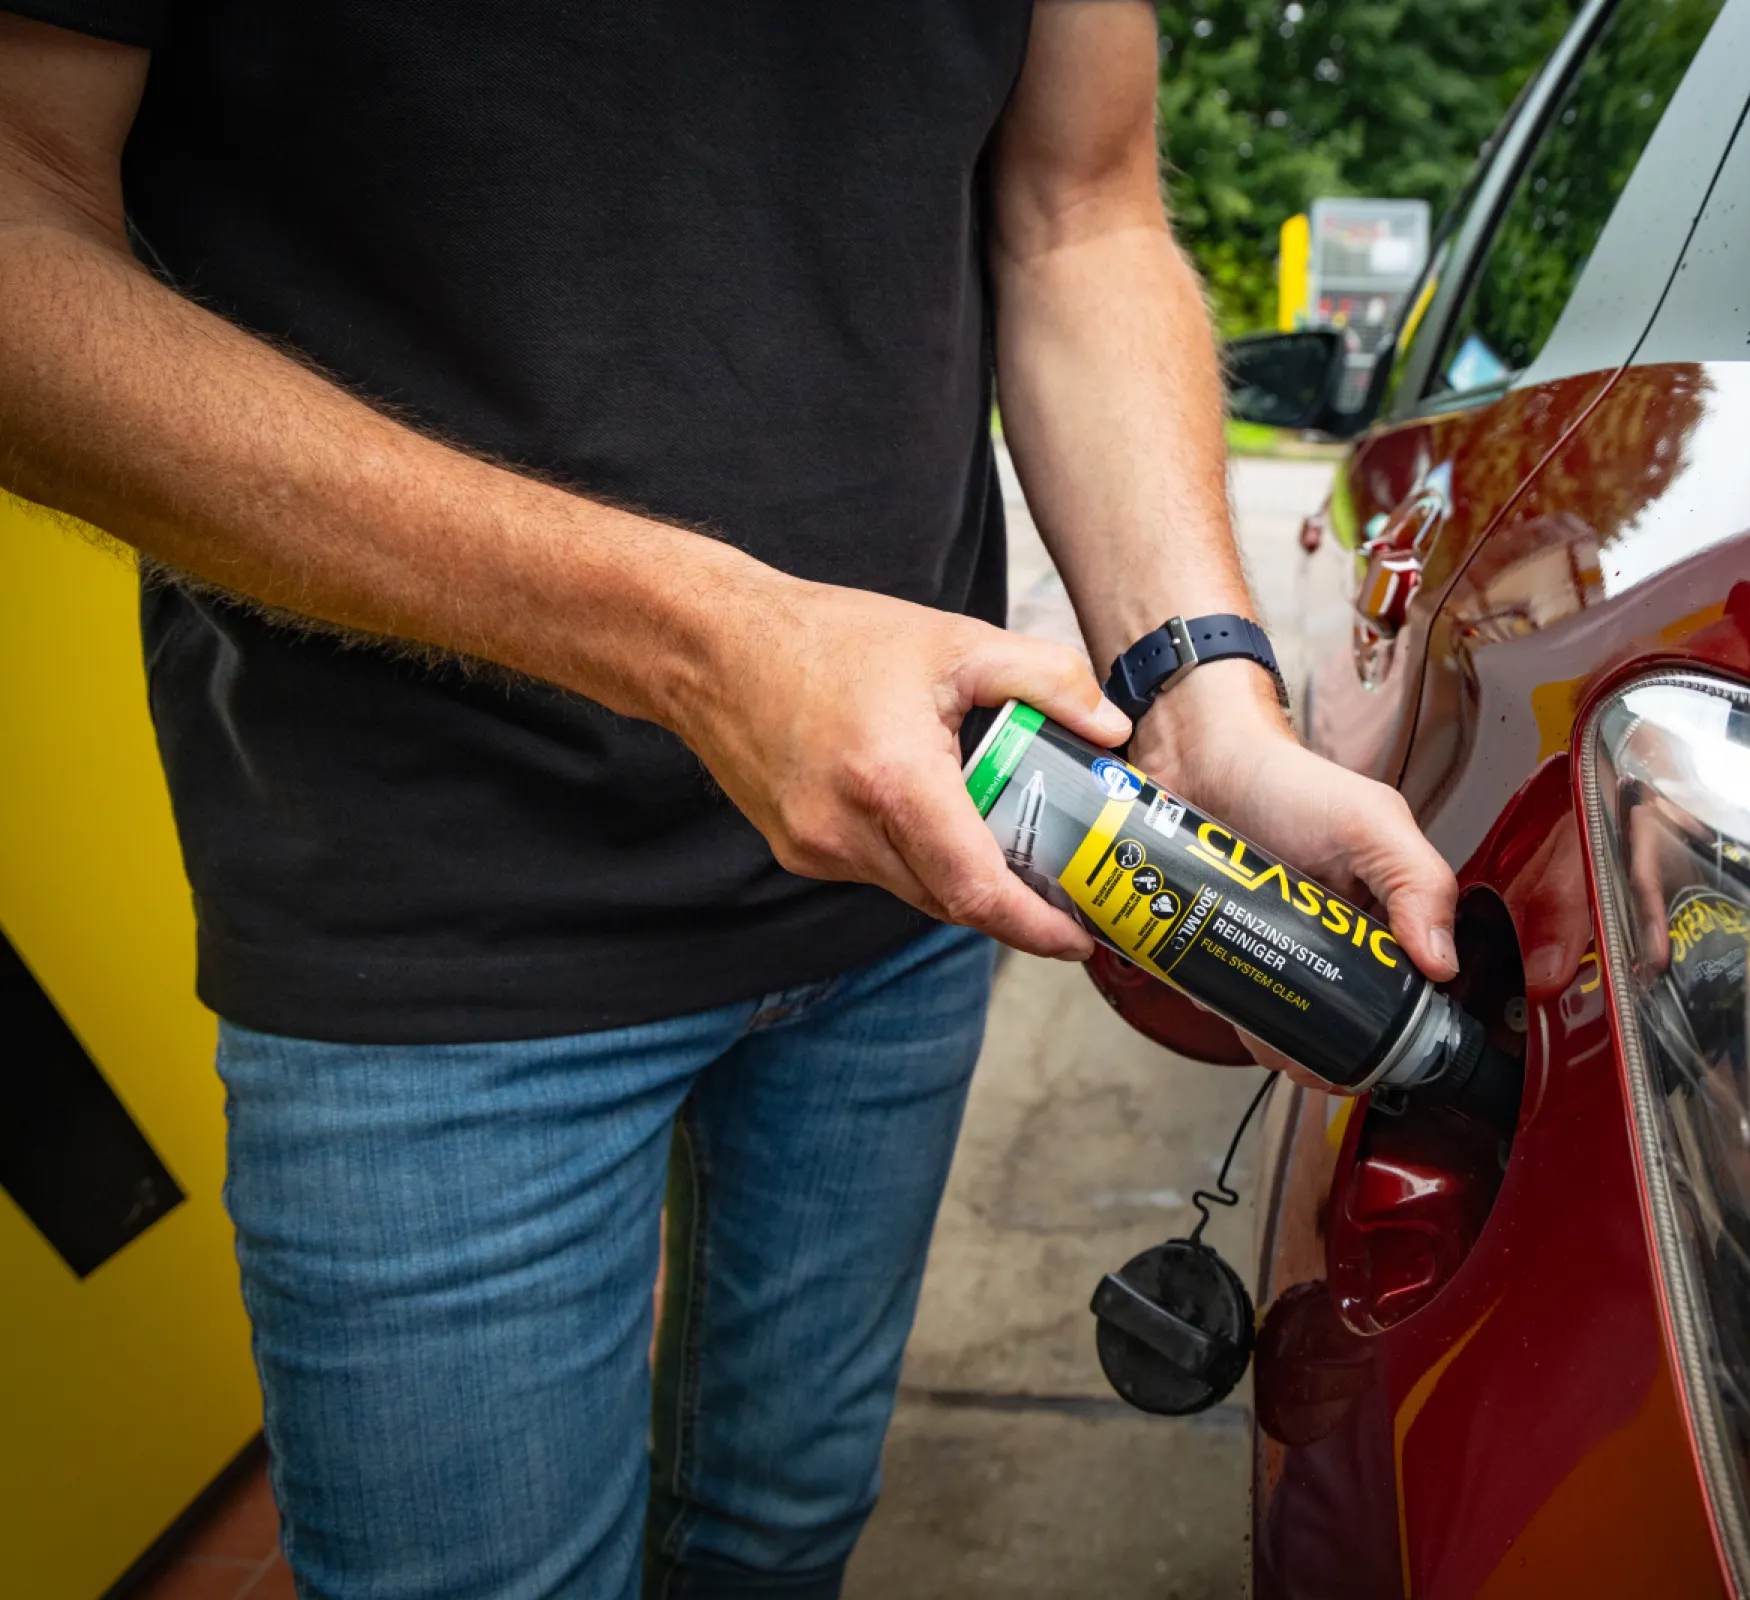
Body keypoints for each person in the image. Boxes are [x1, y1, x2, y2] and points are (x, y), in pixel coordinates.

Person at [0, 1, 1458, 1595]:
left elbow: (1078, 210)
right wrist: (706, 643)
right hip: (435, 928)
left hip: (910, 892)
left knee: (779, 1541)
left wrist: (1208, 703)